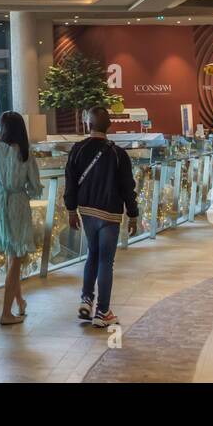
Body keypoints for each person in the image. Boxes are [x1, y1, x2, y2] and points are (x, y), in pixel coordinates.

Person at [63, 107, 138, 328]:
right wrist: (133, 214)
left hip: (86, 212)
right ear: (109, 126)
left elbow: (70, 181)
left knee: (92, 255)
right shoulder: (118, 154)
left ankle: (86, 300)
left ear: (88, 124)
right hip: (110, 214)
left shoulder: (78, 149)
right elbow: (127, 187)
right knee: (106, 261)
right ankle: (103, 311)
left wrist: (70, 210)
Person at [0, 111, 43, 326]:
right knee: (16, 258)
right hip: (17, 203)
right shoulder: (25, 153)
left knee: (12, 255)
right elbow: (35, 186)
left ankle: (20, 301)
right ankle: (6, 313)